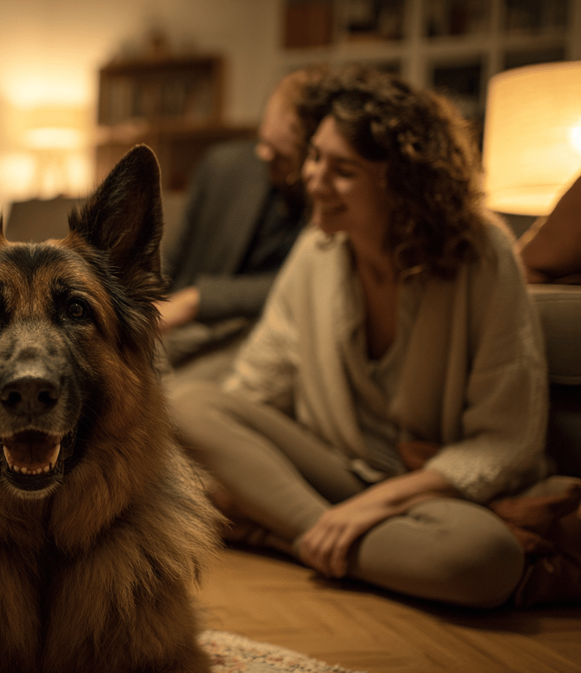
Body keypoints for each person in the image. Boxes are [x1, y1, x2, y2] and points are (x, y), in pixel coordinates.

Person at [170, 66, 550, 608]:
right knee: (187, 404)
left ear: (402, 184)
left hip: (422, 489)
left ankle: (288, 535)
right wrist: (233, 466)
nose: (313, 179)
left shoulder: (484, 255)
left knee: (487, 561)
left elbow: (507, 442)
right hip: (330, 468)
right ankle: (317, 536)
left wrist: (375, 503)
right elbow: (255, 386)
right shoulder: (316, 250)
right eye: (315, 157)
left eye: (341, 169)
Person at [157, 66, 328, 381]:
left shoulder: (329, 204)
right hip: (180, 330)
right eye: (262, 140)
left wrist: (197, 300)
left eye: (280, 156)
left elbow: (298, 283)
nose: (262, 155)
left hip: (258, 337)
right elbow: (170, 260)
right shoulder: (222, 167)